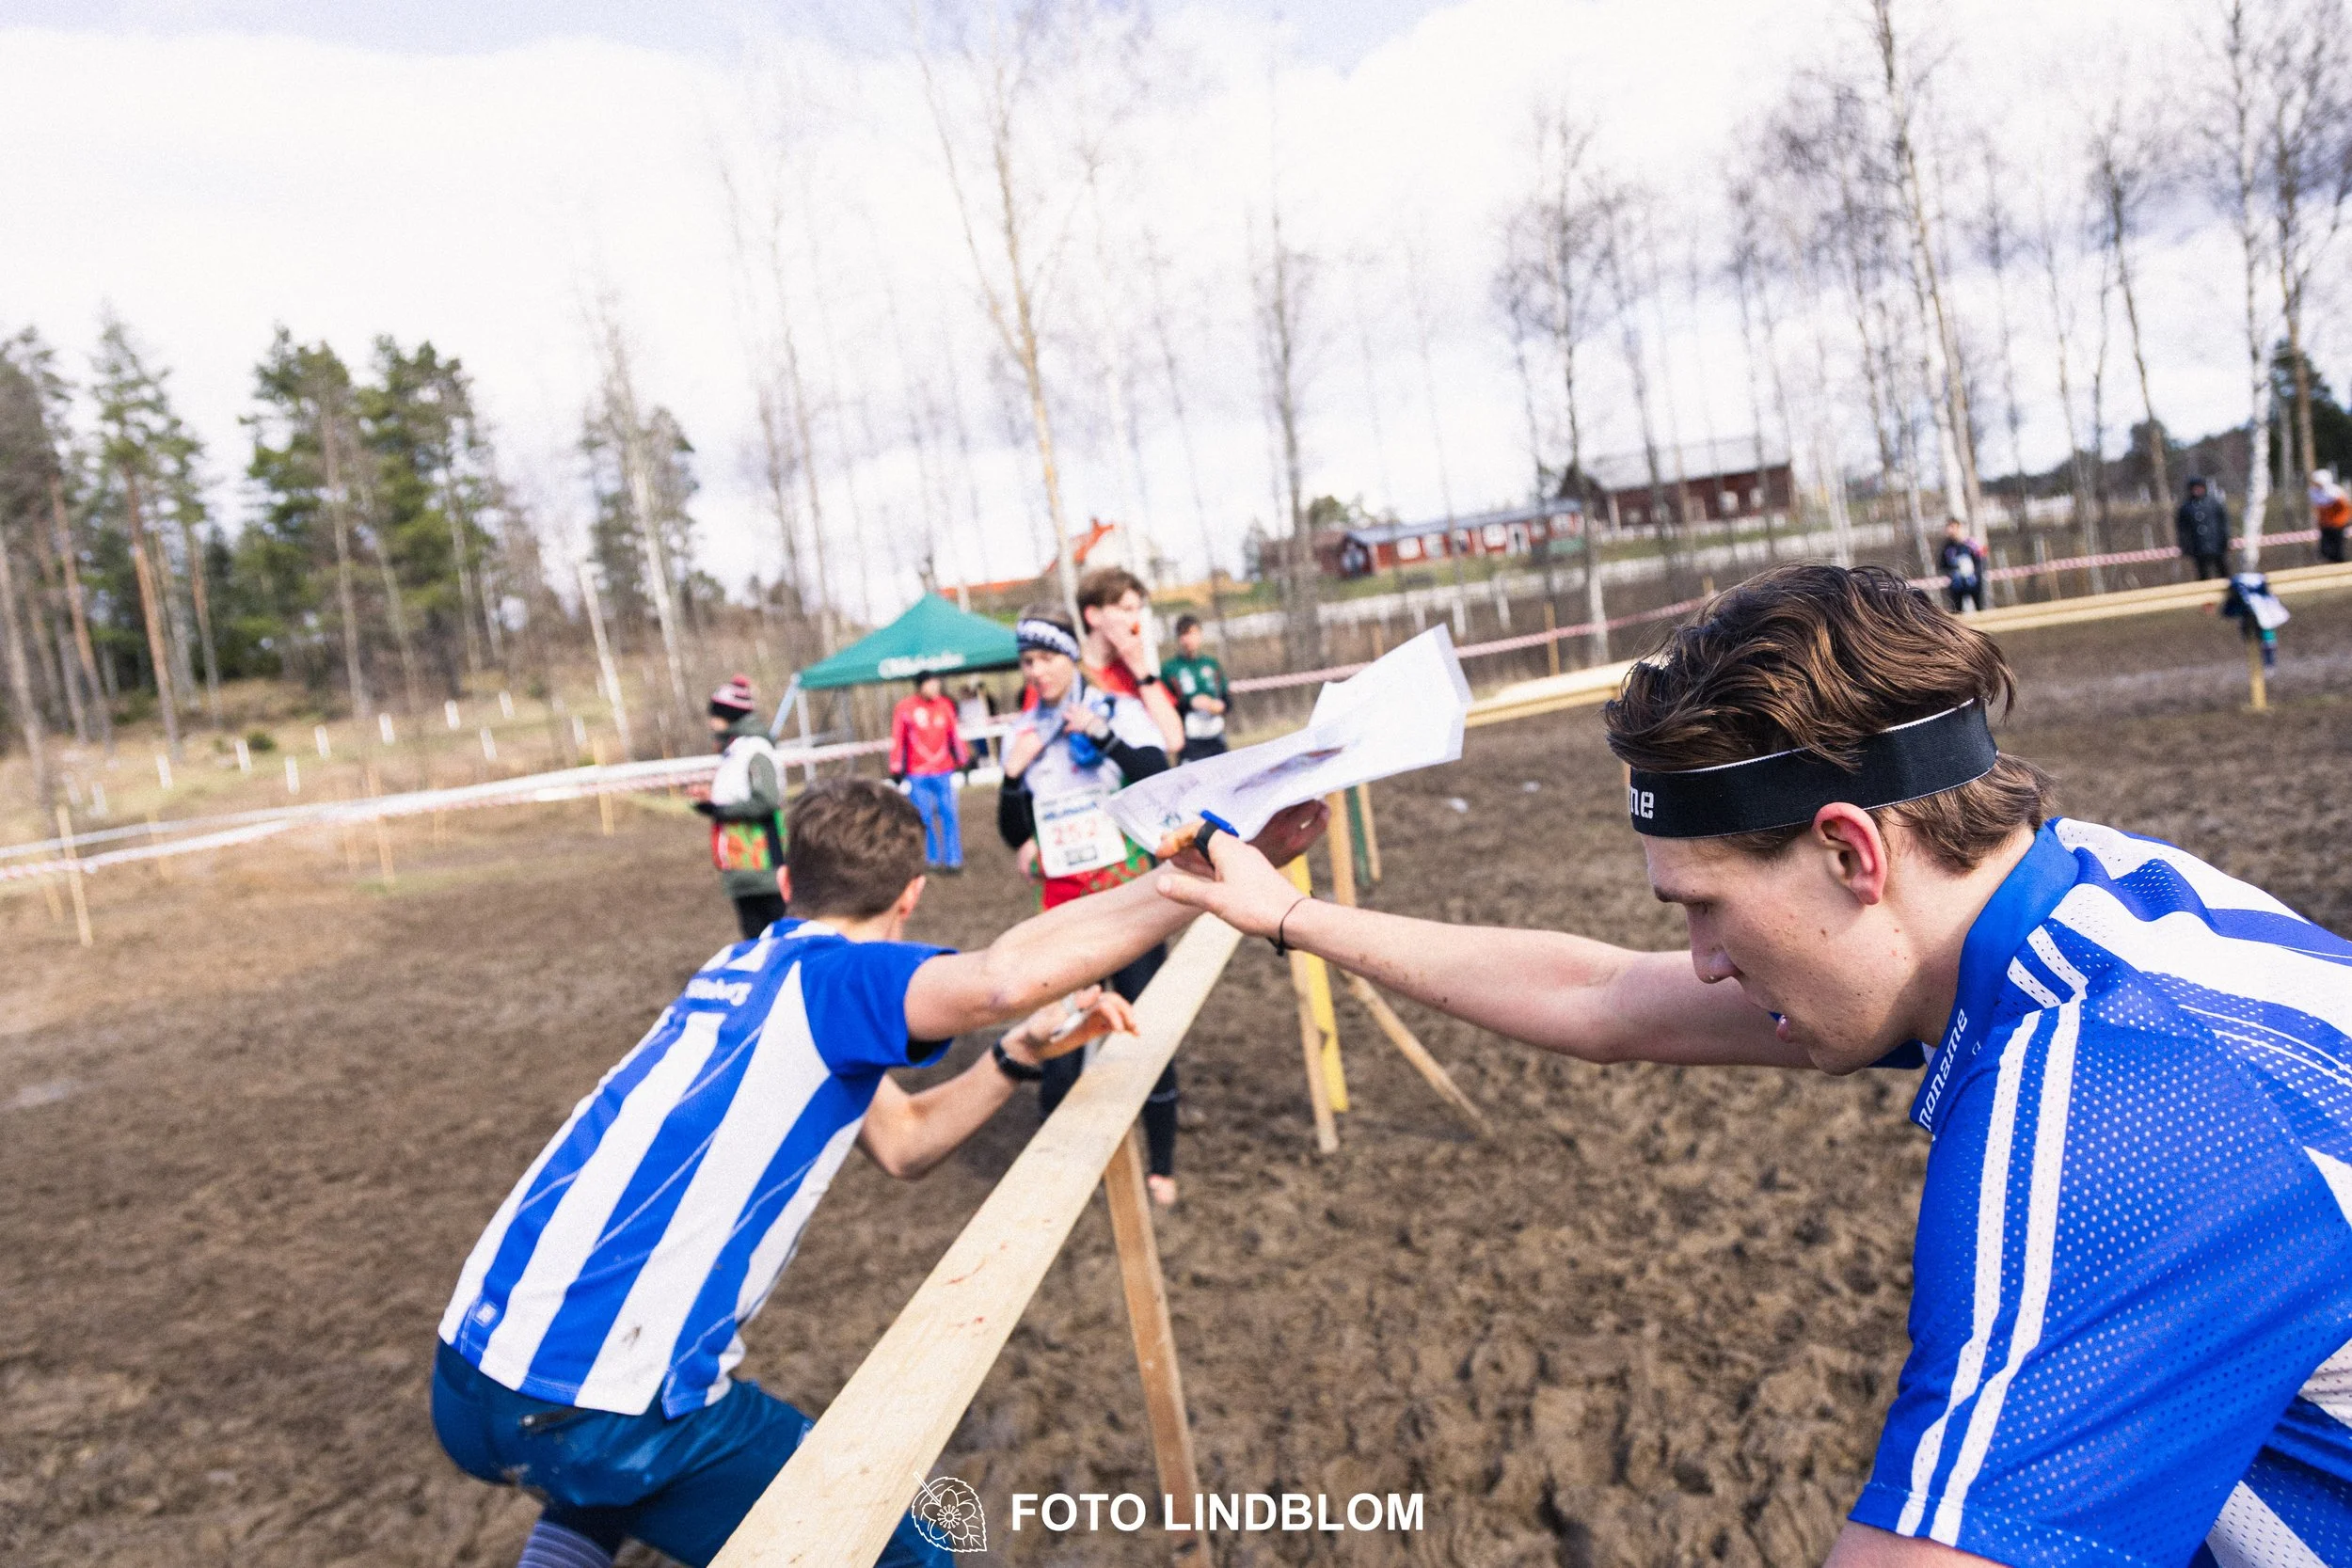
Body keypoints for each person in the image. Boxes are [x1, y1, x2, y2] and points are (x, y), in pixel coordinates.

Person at [1159, 563, 2352, 1566]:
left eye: (1706, 907)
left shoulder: (2116, 1115)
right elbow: (1605, 998)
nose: (1704, 963)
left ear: (1848, 850)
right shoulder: (2082, 902)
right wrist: (1291, 917)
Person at [432, 778, 1327, 1568]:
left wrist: (1013, 1059)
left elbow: (902, 1142)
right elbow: (1003, 977)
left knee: (611, 1471)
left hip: (470, 1381)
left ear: (786, 885)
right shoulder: (837, 980)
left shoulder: (740, 970)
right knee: (909, 1547)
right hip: (595, 1411)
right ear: (912, 896)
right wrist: (1211, 880)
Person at [997, 606, 1184, 1205]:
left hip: (1125, 895)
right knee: (1061, 1032)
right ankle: (1065, 1168)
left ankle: (1162, 1161)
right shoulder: (1023, 732)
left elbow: (1156, 771)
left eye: (1047, 658)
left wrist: (1101, 737)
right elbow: (1012, 826)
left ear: (1071, 657)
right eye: (1027, 662)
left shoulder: (1115, 710)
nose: (1037, 671)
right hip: (1060, 904)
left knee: (1142, 1023)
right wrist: (1011, 780)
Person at [690, 675, 787, 940]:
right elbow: (741, 794)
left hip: (762, 864)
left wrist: (719, 810)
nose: (711, 720)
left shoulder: (754, 750)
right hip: (744, 866)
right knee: (756, 937)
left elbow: (766, 800)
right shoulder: (736, 750)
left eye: (716, 713)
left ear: (729, 714)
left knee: (774, 937)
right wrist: (712, 799)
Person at [1073, 565, 1187, 757]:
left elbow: (1174, 740)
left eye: (1137, 611)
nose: (1135, 622)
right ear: (1093, 616)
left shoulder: (1136, 673)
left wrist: (1140, 670)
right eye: (1126, 610)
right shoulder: (1064, 674)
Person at [889, 672, 968, 874]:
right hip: (917, 774)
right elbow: (898, 739)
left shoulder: (945, 706)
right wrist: (896, 767)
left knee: (949, 814)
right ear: (920, 686)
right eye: (931, 685)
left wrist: (963, 759)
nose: (935, 689)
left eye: (937, 685)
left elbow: (954, 735)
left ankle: (953, 860)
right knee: (923, 818)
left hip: (944, 771)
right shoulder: (905, 708)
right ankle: (931, 859)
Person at [1163, 612, 1232, 762]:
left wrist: (1220, 706)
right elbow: (1165, 708)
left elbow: (1227, 700)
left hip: (1215, 737)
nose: (1189, 639)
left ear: (1200, 635)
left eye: (1193, 634)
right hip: (1189, 742)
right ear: (1179, 638)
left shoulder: (1211, 664)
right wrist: (1190, 704)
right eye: (1184, 635)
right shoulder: (1170, 668)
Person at [2177, 474, 2232, 579]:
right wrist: (2186, 546)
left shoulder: (2214, 503)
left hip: (2217, 545)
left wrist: (2225, 540)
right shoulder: (2186, 508)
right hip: (2198, 548)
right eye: (2194, 488)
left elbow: (2223, 523)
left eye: (2199, 487)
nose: (2197, 490)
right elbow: (2183, 530)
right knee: (2203, 576)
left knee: (2223, 572)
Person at [1934, 518, 1986, 614]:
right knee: (1957, 611)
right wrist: (1953, 570)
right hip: (1956, 584)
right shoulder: (1947, 547)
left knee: (1980, 608)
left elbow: (1981, 561)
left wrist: (1976, 575)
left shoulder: (1972, 544)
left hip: (1974, 582)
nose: (1950, 530)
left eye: (1952, 527)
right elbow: (1942, 565)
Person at [2312, 467, 2350, 563]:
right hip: (2326, 526)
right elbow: (2320, 509)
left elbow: (2346, 508)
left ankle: (2341, 569)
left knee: (2338, 551)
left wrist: (2344, 519)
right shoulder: (2314, 493)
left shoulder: (2336, 492)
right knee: (2324, 550)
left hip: (2338, 525)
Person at [956, 679, 995, 767]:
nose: (963, 695)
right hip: (969, 731)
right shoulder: (962, 704)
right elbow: (962, 718)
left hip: (980, 729)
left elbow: (982, 715)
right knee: (973, 751)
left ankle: (988, 766)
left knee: (984, 749)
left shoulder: (978, 702)